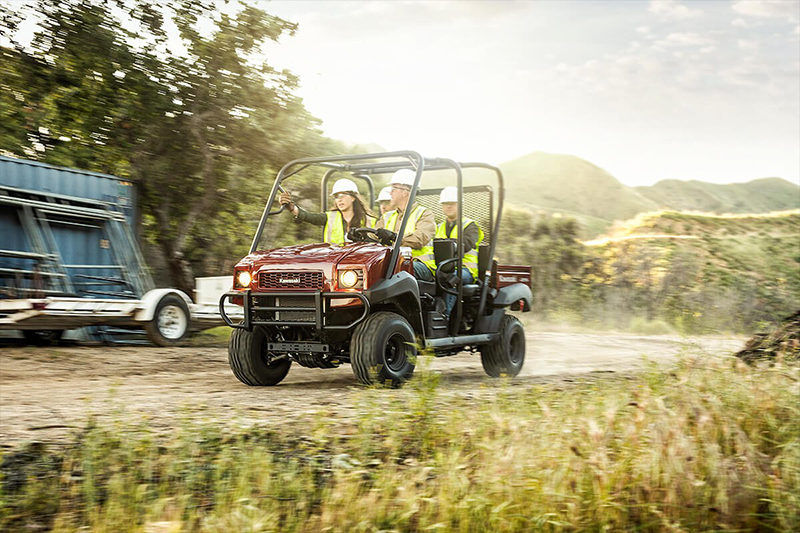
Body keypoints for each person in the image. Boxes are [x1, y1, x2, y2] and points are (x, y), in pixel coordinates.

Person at [374, 169, 436, 281]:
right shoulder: (387, 217)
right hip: (392, 262)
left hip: (420, 263)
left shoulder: (425, 214)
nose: (390, 192)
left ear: (405, 192)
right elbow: (374, 235)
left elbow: (420, 238)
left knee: (394, 269)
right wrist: (361, 237)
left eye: (393, 189)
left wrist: (394, 237)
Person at [279, 178, 377, 244]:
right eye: (336, 197)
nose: (339, 199)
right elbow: (308, 216)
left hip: (360, 265)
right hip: (335, 264)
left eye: (342, 195)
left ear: (353, 198)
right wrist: (291, 207)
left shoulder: (370, 221)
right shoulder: (330, 217)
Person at [435, 186, 485, 316]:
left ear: (460, 204)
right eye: (445, 203)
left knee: (452, 279)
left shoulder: (470, 225)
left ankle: (444, 316)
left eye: (452, 203)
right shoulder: (438, 227)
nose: (448, 206)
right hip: (444, 267)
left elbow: (467, 243)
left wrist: (450, 244)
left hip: (465, 270)